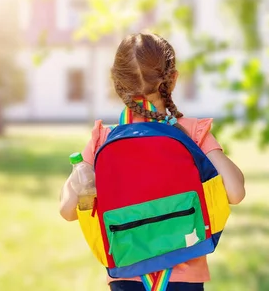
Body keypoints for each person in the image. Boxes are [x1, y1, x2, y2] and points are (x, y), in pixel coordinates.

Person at [59, 33, 246, 291]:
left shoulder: (102, 139)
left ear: (117, 83)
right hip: (184, 279)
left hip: (127, 276)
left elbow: (68, 210)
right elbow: (235, 192)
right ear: (173, 79)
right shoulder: (192, 133)